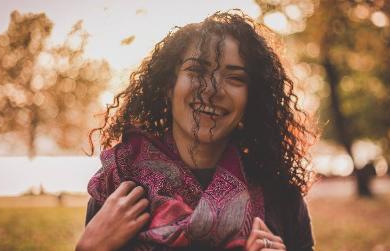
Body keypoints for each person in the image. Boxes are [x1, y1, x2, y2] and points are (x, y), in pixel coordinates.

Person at [76, 10, 316, 251]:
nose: (211, 90)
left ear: (251, 98)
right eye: (197, 71)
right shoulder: (120, 185)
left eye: (234, 78)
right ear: (170, 86)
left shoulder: (281, 197)